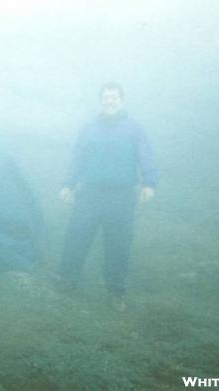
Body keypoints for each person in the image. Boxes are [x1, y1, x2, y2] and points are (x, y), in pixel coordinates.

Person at [58, 82, 158, 311]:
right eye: (106, 98)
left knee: (118, 245)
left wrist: (149, 183)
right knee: (77, 237)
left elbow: (146, 155)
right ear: (100, 101)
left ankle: (116, 292)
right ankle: (67, 281)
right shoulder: (89, 128)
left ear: (121, 101)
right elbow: (78, 157)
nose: (110, 101)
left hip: (121, 196)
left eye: (114, 97)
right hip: (90, 194)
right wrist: (68, 184)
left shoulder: (135, 129)